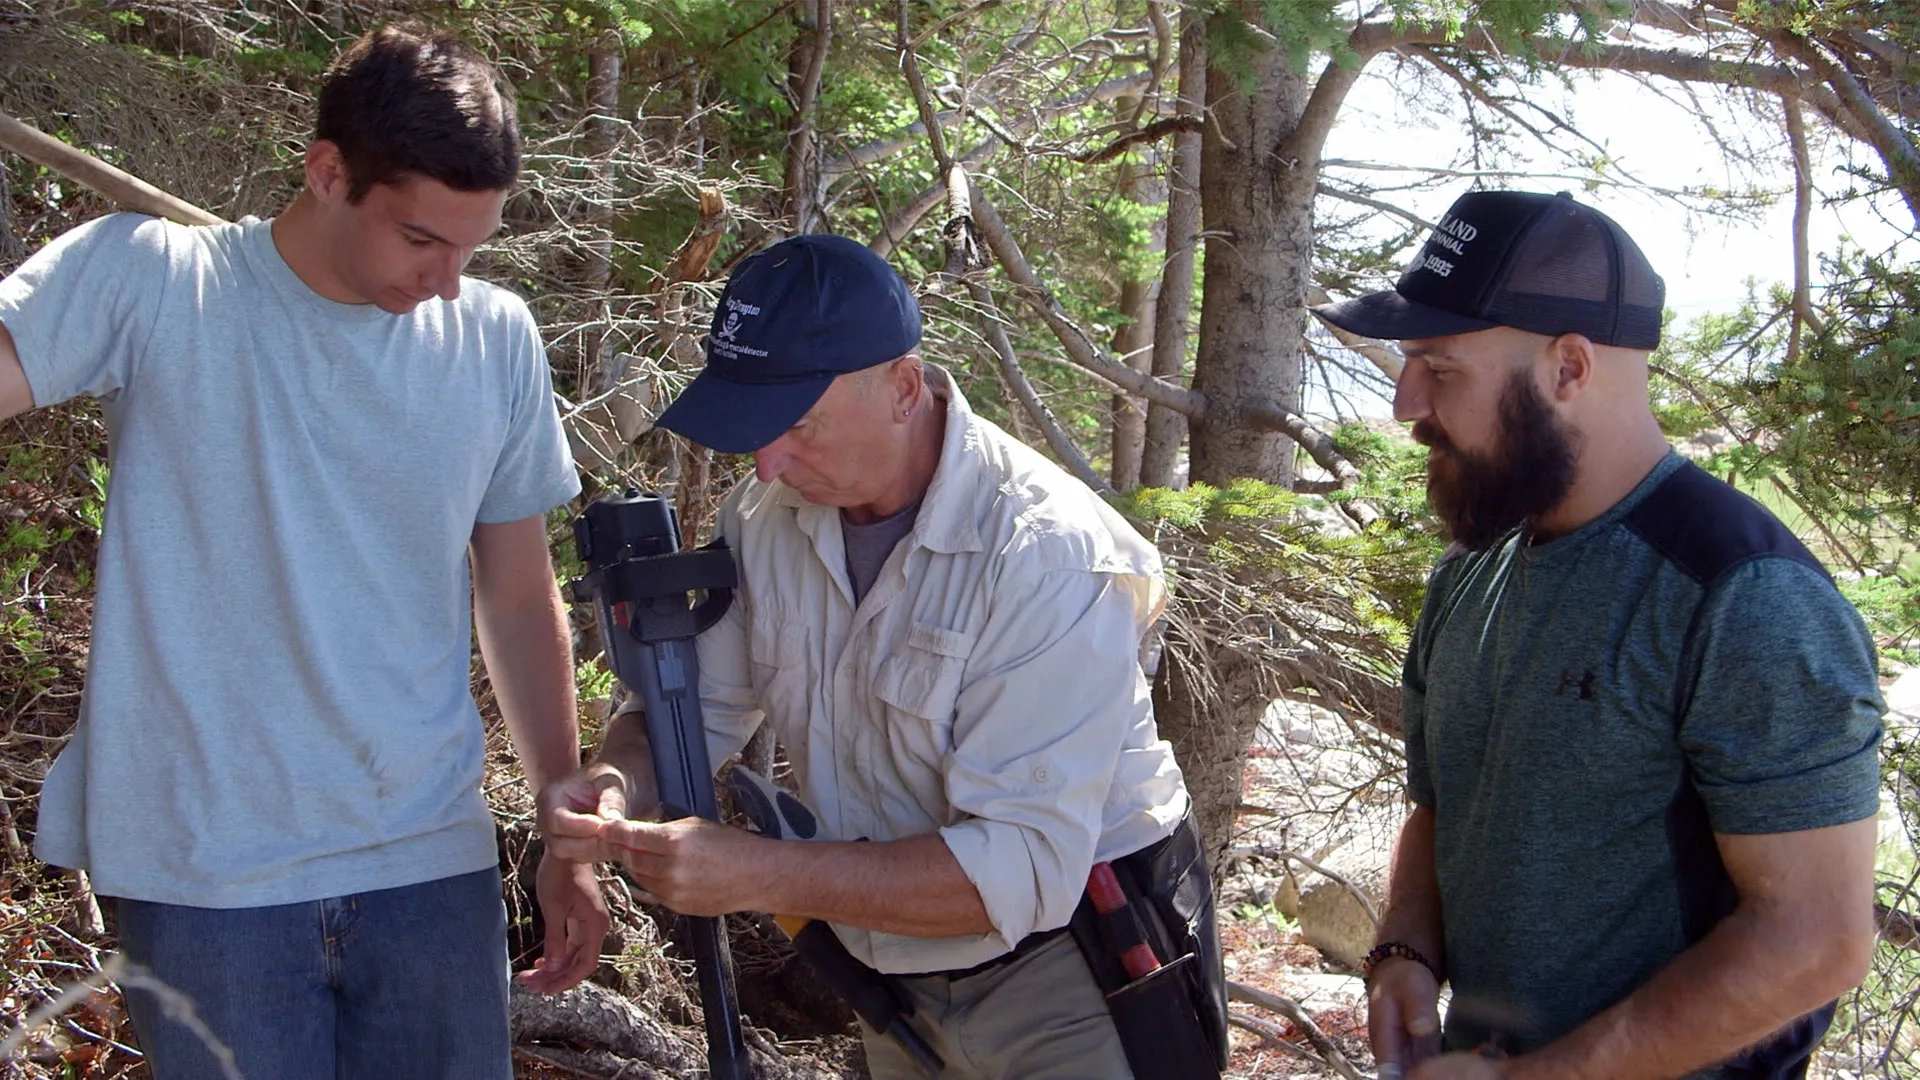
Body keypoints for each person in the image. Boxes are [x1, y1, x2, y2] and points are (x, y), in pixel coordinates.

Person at [0, 24, 605, 1079]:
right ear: (329, 173)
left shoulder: (494, 338)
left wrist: (562, 818)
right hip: (206, 878)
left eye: (473, 248)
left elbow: (515, 594)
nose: (449, 281)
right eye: (423, 241)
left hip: (427, 862)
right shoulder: (152, 281)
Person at [540, 233, 1226, 1080]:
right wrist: (615, 783)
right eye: (755, 427)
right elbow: (699, 708)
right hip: (896, 989)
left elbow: (1019, 868)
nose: (767, 461)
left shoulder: (1044, 553)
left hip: (1075, 980)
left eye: (796, 425)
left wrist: (758, 875)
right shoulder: (769, 517)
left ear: (903, 389)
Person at [1313, 190, 1885, 1080]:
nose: (1403, 402)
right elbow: (1443, 808)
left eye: (1440, 366)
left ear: (1569, 368)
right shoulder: (1471, 572)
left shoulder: (1741, 592)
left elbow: (1816, 939)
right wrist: (1406, 954)